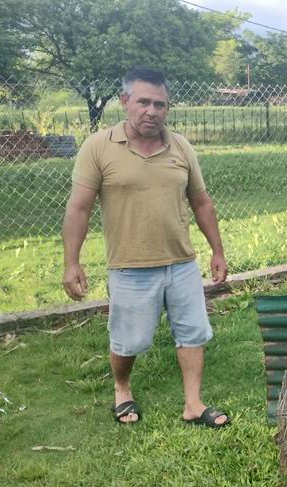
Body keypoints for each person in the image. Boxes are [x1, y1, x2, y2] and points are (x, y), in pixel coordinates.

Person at [62, 67, 231, 429]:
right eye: (143, 102)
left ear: (168, 108)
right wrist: (72, 262)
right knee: (129, 339)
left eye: (160, 104)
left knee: (193, 332)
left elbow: (201, 202)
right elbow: (78, 208)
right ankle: (122, 390)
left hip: (182, 262)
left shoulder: (181, 146)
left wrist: (217, 251)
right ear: (125, 102)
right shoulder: (98, 147)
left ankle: (192, 403)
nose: (151, 111)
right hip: (130, 266)